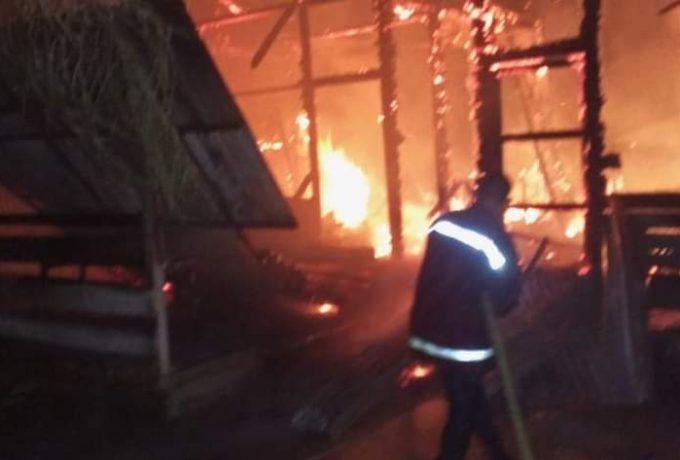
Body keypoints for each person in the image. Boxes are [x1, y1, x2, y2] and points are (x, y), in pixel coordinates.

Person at [409, 172, 522, 460]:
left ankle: (497, 453)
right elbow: (506, 297)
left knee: (469, 396)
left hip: (429, 331)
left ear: (477, 195)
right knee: (463, 411)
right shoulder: (496, 239)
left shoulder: (443, 223)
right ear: (502, 201)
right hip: (464, 341)